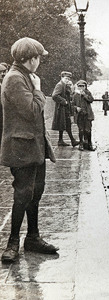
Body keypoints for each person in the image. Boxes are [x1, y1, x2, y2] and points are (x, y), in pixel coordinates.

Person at [0, 37, 58, 263]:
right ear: (30, 59)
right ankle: (12, 242)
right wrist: (38, 89)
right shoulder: (16, 79)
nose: (39, 62)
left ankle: (32, 237)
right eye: (38, 58)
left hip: (33, 146)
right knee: (23, 194)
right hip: (21, 147)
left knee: (35, 192)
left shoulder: (22, 76)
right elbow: (33, 111)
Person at [51, 71, 79, 147]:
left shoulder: (64, 85)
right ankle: (72, 141)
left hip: (64, 108)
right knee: (67, 124)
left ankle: (61, 141)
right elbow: (54, 96)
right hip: (61, 108)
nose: (67, 80)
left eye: (68, 79)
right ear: (62, 77)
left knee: (64, 124)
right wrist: (64, 102)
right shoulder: (60, 85)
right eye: (66, 78)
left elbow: (69, 94)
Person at [72, 80, 96, 151]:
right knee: (81, 130)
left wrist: (85, 95)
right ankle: (81, 144)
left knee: (88, 130)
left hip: (87, 115)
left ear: (85, 87)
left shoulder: (88, 93)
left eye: (83, 86)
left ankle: (89, 144)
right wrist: (76, 108)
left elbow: (91, 100)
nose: (81, 88)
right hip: (80, 115)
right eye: (79, 86)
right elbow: (72, 105)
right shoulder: (75, 95)